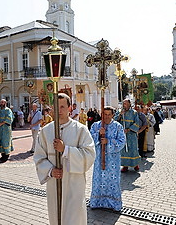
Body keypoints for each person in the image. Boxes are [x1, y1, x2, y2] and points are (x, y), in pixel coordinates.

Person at [34, 93, 95, 225]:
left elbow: (89, 155)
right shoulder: (45, 131)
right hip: (54, 184)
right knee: (56, 218)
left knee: (74, 219)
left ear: (69, 108)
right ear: (52, 108)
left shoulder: (80, 130)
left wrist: (65, 150)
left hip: (74, 185)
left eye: (63, 107)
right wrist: (50, 171)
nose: (59, 110)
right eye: (56, 107)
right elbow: (39, 157)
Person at [90, 106, 126, 211]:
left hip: (112, 160)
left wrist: (108, 142)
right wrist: (98, 134)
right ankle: (97, 202)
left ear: (113, 115)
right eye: (104, 114)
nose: (106, 117)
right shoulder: (96, 126)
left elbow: (122, 141)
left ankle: (114, 203)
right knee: (99, 180)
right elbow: (89, 140)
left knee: (113, 181)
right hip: (99, 159)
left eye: (109, 114)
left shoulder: (118, 126)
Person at [114, 99, 141, 172]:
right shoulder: (120, 112)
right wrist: (120, 115)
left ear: (129, 104)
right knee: (123, 150)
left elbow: (137, 123)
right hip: (122, 134)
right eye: (123, 104)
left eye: (126, 103)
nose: (124, 105)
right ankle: (125, 165)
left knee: (133, 149)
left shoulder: (134, 113)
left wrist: (129, 129)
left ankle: (135, 164)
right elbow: (115, 121)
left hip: (131, 134)